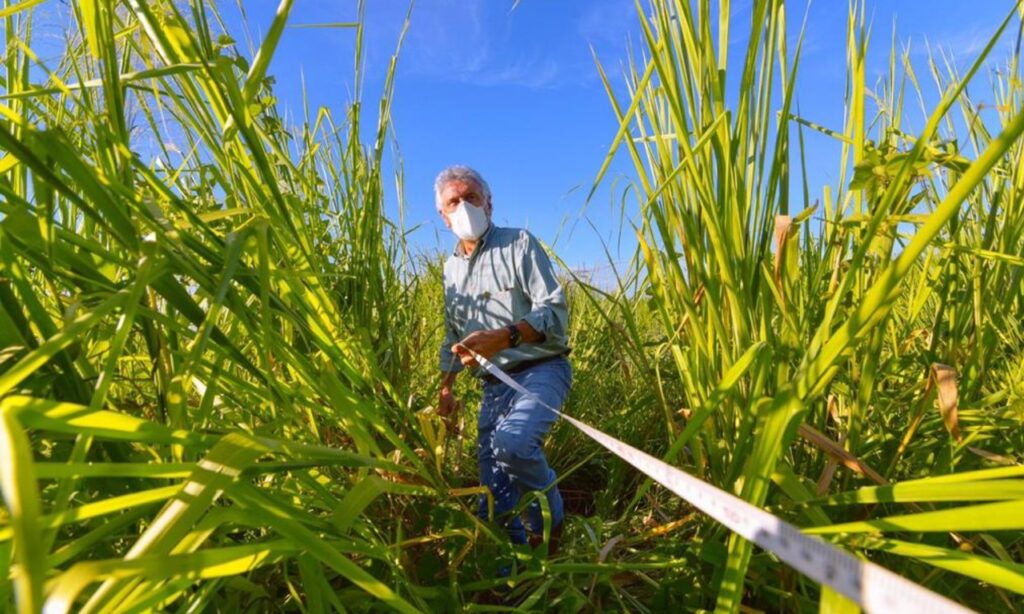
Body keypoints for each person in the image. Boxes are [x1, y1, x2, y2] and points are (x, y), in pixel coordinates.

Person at [434, 165, 571, 553]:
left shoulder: (520, 245)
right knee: (491, 491)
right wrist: (446, 388)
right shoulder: (450, 271)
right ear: (443, 217)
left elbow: (556, 313)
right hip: (493, 383)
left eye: (472, 198)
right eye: (453, 202)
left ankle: (550, 524)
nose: (464, 207)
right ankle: (506, 567)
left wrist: (504, 336)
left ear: (489, 204)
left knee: (513, 443)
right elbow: (452, 336)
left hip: (542, 368)